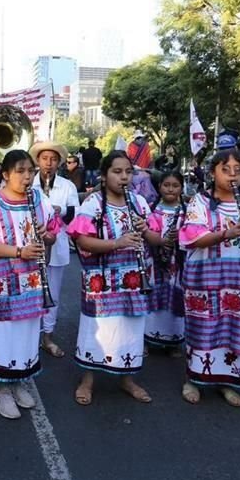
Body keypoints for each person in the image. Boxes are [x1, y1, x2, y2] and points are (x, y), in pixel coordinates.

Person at [0, 150, 61, 420]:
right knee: (5, 333)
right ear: (5, 175)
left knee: (27, 331)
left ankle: (19, 381)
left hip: (31, 281)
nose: (27, 176)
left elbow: (53, 233)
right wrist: (19, 252)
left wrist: (47, 235)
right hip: (3, 282)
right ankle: (1, 390)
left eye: (30, 171)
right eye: (20, 171)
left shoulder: (38, 198)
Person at [179, 150, 240, 407]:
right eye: (225, 169)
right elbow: (192, 237)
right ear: (212, 173)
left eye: (238, 170)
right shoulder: (199, 201)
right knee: (203, 326)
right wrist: (227, 233)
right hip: (206, 276)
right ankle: (194, 377)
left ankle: (227, 381)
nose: (233, 174)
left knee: (236, 326)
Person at [67, 151, 159, 406]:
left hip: (134, 279)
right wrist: (117, 243)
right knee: (97, 328)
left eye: (128, 172)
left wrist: (146, 230)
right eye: (117, 172)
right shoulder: (93, 203)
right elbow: (82, 240)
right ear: (104, 176)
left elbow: (154, 238)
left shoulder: (139, 202)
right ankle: (87, 380)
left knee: (131, 327)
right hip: (102, 281)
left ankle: (127, 378)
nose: (124, 177)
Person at [30, 141, 79, 359]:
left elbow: (76, 214)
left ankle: (47, 337)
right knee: (30, 292)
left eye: (53, 159)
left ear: (58, 163)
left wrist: (60, 211)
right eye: (44, 159)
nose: (48, 164)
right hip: (30, 246)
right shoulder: (28, 182)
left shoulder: (67, 186)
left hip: (56, 246)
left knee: (53, 293)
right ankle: (30, 337)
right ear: (38, 161)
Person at [145, 170, 186, 355]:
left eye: (175, 185)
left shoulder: (188, 212)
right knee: (152, 296)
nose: (170, 189)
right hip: (154, 261)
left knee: (174, 298)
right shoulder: (150, 209)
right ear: (159, 186)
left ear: (181, 188)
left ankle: (173, 341)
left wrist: (182, 235)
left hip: (176, 263)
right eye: (166, 185)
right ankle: (146, 339)